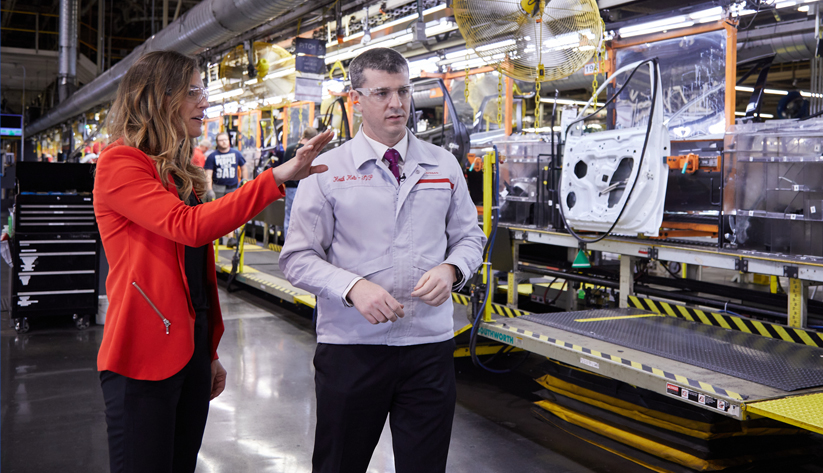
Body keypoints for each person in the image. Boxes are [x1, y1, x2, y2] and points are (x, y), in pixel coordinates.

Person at [93, 50, 332, 473]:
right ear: (158, 98)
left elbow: (195, 274)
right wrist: (275, 177)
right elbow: (188, 227)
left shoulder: (179, 172)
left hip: (190, 350)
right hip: (143, 355)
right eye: (194, 92)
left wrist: (209, 351)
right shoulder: (120, 163)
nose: (205, 103)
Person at [280, 47, 486, 473]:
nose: (397, 104)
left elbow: (470, 237)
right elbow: (297, 258)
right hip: (353, 350)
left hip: (428, 346)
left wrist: (452, 269)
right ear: (356, 101)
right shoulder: (328, 171)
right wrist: (352, 288)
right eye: (382, 94)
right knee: (339, 463)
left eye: (403, 92)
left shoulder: (443, 165)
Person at [279, 126, 318, 239]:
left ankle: (288, 243)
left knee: (289, 219)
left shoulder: (290, 148)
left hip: (289, 188)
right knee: (303, 219)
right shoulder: (309, 151)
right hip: (304, 189)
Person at [203, 132, 246, 201]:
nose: (224, 142)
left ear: (229, 140)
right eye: (221, 140)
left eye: (226, 140)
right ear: (217, 142)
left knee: (233, 209)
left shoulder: (236, 153)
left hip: (233, 188)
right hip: (218, 189)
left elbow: (244, 168)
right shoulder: (212, 156)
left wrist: (245, 181)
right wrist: (210, 190)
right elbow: (208, 175)